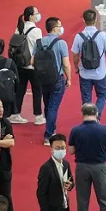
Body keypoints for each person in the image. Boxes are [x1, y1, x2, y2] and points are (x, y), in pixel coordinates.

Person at [68, 103, 106, 211]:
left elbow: (71, 151)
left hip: (82, 167)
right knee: (104, 200)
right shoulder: (105, 129)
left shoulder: (75, 130)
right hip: (99, 167)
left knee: (82, 200)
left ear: (82, 114)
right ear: (97, 114)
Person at [33, 17, 72, 145]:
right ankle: (49, 135)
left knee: (48, 104)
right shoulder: (61, 43)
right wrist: (69, 78)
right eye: (60, 26)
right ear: (55, 28)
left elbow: (32, 61)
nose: (61, 28)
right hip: (57, 79)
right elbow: (66, 64)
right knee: (53, 107)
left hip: (43, 79)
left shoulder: (39, 42)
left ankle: (51, 129)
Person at [72, 8, 106, 117]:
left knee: (86, 98)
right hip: (100, 73)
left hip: (84, 73)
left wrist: (76, 67)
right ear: (96, 19)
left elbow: (75, 55)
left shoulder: (79, 36)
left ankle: (87, 117)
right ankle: (97, 116)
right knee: (102, 95)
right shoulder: (102, 35)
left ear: (83, 20)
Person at [9, 6, 44, 124]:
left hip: (20, 64)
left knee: (19, 90)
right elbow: (39, 48)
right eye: (37, 13)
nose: (38, 15)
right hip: (33, 65)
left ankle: (15, 114)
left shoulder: (19, 28)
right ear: (31, 16)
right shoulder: (37, 31)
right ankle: (38, 116)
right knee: (37, 91)